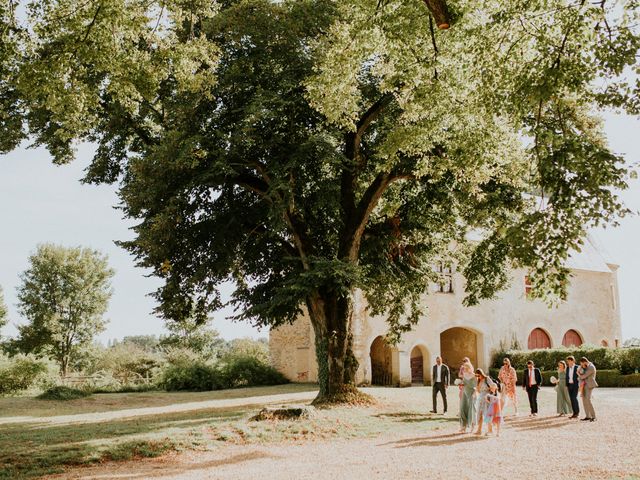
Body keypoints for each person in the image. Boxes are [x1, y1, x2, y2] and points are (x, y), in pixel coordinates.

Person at [474, 368, 495, 435]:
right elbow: (478, 391)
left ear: (481, 374)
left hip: (487, 398)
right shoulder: (478, 381)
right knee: (479, 414)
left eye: (478, 375)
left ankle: (490, 430)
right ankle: (479, 430)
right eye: (476, 376)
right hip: (480, 399)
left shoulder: (487, 378)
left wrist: (490, 392)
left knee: (487, 414)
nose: (478, 377)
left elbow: (493, 386)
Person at [458, 361, 477, 433]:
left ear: (470, 368)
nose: (464, 369)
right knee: (463, 409)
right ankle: (463, 427)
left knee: (471, 410)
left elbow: (476, 386)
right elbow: (464, 383)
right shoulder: (464, 375)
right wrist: (461, 384)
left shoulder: (474, 376)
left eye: (466, 368)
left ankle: (473, 427)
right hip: (464, 393)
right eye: (464, 368)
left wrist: (474, 394)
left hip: (472, 394)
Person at [578, 356, 598, 422]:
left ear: (585, 362)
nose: (582, 365)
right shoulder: (585, 366)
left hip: (589, 385)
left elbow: (583, 376)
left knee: (588, 400)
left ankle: (594, 416)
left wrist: (578, 374)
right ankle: (587, 416)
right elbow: (581, 373)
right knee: (584, 400)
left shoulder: (591, 367)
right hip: (583, 385)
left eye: (582, 364)